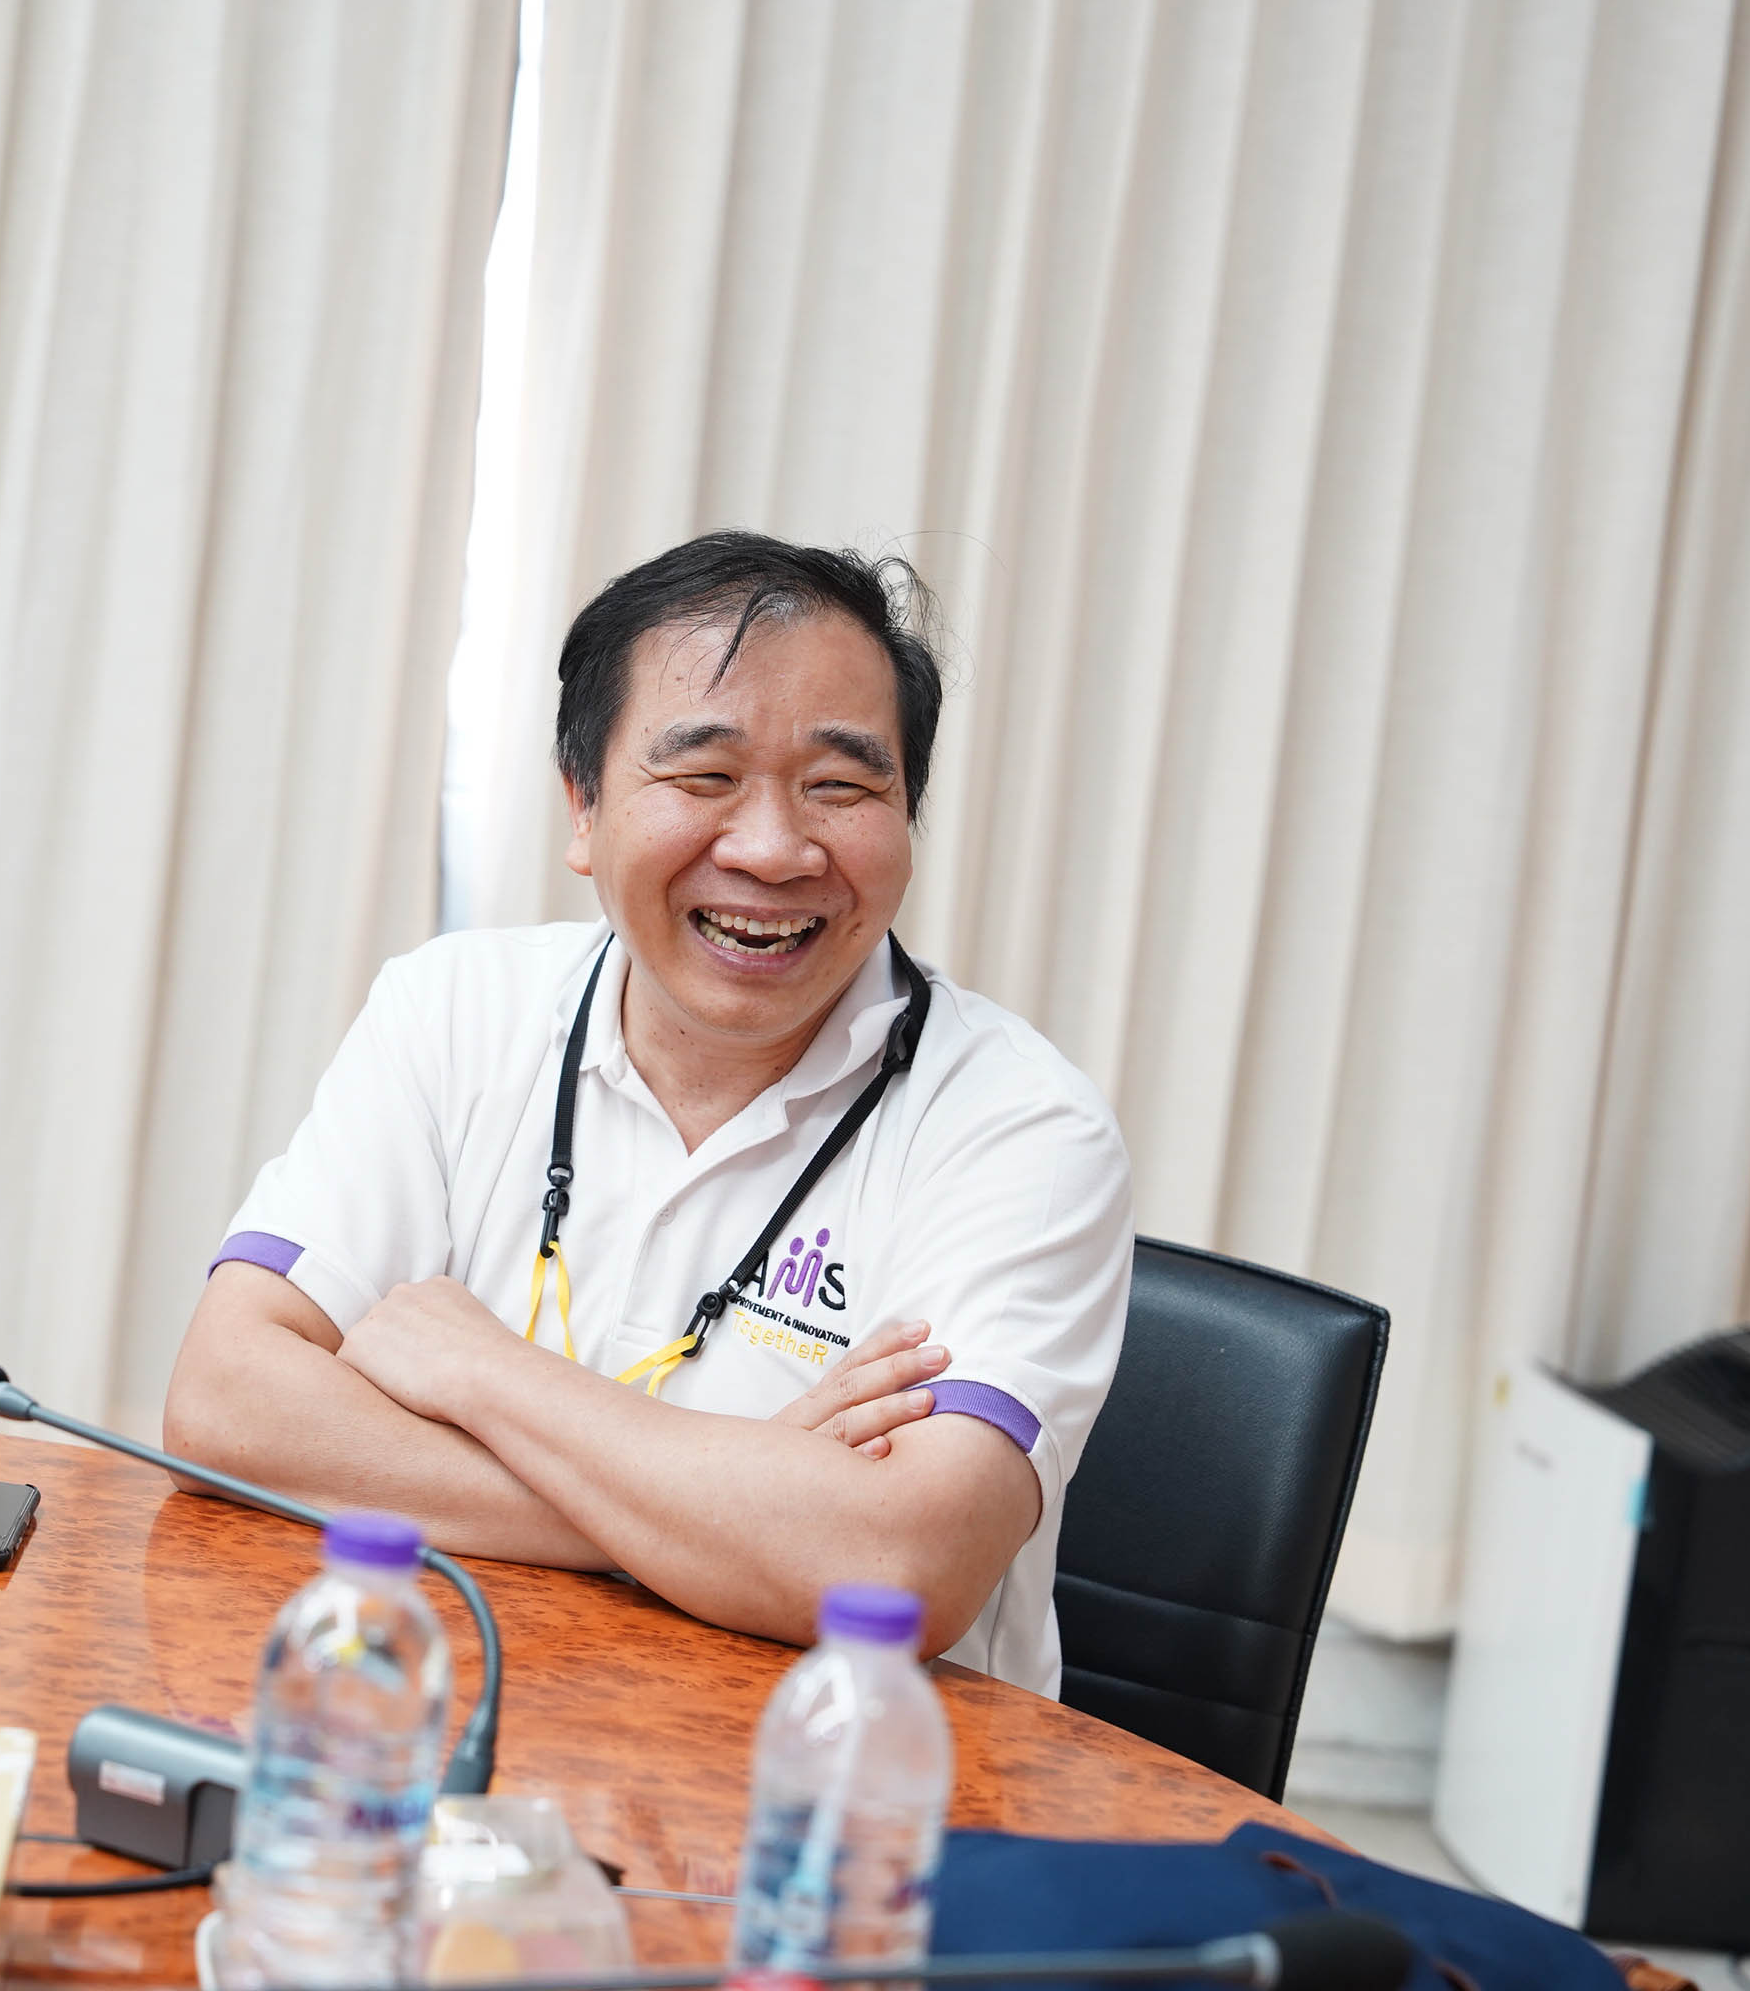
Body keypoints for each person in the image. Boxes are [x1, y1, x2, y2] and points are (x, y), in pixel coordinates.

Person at [166, 532, 1131, 1693]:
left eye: (840, 786)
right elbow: (224, 1398)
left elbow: (896, 1564)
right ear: (583, 806)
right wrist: (739, 1505)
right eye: (704, 777)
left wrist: (483, 1372)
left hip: (835, 1775)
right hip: (460, 1712)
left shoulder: (1022, 1128)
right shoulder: (453, 1008)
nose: (771, 849)